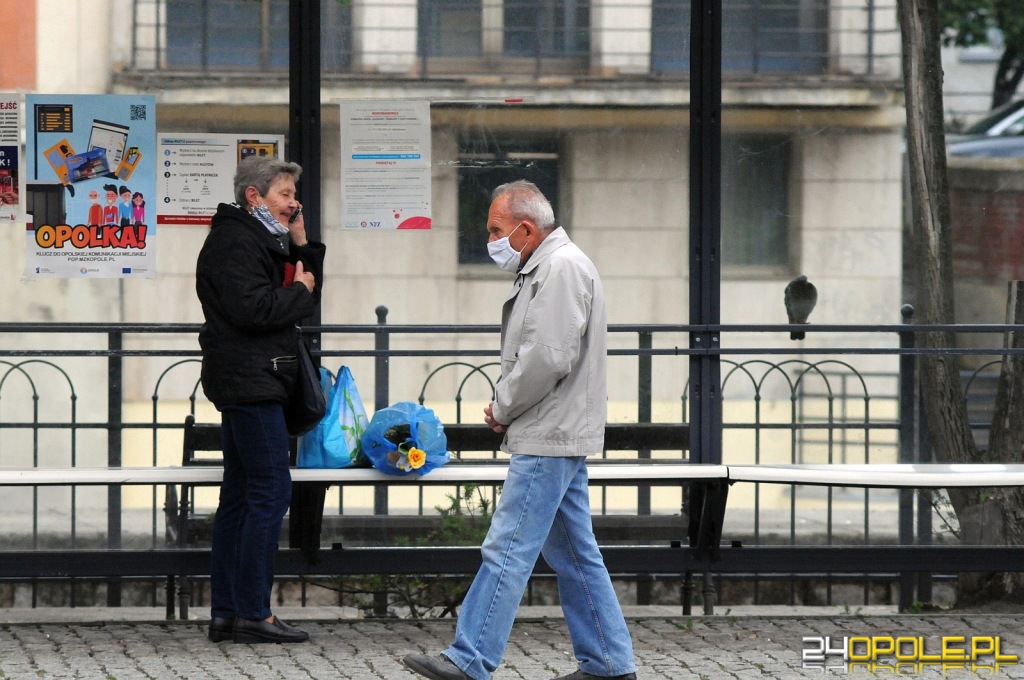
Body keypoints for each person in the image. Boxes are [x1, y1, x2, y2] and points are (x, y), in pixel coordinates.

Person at [403, 180, 637, 680]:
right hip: (556, 427)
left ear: (527, 229)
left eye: (496, 230)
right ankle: (609, 663)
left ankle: (470, 659)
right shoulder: (554, 265)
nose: (491, 241)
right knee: (575, 553)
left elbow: (547, 357)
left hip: (549, 429)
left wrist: (503, 406)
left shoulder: (559, 267)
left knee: (508, 546)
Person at [195, 156, 325, 644]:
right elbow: (254, 308)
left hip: (254, 381)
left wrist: (302, 243)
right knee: (270, 491)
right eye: (286, 196)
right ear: (255, 196)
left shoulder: (260, 238)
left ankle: (227, 613)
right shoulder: (234, 241)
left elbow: (305, 287)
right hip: (250, 383)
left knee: (241, 495)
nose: (293, 204)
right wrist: (299, 290)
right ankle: (253, 611)